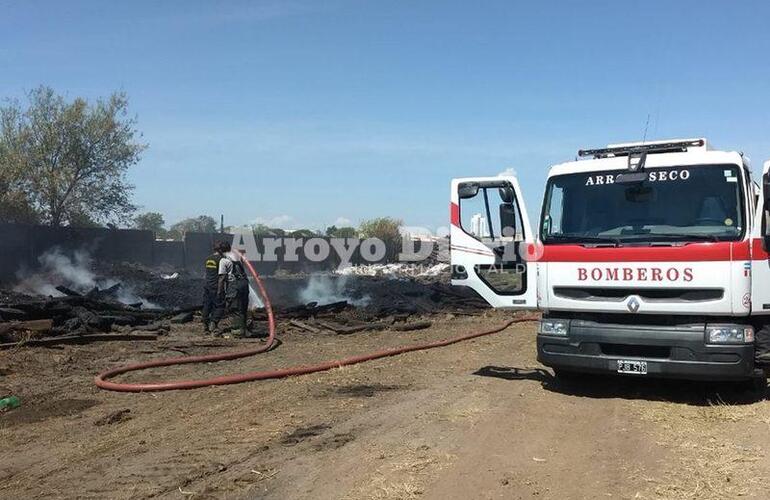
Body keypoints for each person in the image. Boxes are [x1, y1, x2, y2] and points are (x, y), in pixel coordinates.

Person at [217, 241, 251, 337]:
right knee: (243, 306)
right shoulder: (237, 257)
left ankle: (238, 332)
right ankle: (244, 329)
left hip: (234, 285)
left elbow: (222, 278)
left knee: (235, 307)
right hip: (244, 283)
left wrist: (220, 291)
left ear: (220, 250)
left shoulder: (223, 261)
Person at [201, 241, 226, 334]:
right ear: (220, 250)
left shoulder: (208, 259)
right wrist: (220, 290)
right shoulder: (222, 260)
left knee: (207, 305)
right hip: (216, 286)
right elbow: (222, 277)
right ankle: (213, 323)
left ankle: (205, 325)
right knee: (220, 305)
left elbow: (206, 273)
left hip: (207, 285)